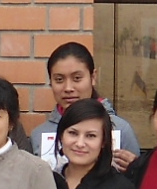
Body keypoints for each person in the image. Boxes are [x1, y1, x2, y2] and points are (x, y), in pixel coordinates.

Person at [30, 43, 141, 171]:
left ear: (93, 77)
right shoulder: (39, 135)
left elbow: (137, 179)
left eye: (77, 78)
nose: (68, 88)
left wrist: (135, 168)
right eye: (59, 80)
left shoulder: (120, 129)